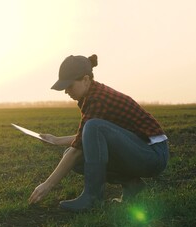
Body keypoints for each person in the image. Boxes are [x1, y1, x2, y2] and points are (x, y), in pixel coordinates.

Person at [28, 54, 169, 212]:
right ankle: (132, 184)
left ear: (86, 80)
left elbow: (80, 146)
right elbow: (86, 139)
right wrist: (56, 140)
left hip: (154, 155)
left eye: (69, 86)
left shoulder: (98, 99)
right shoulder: (91, 95)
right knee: (78, 151)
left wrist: (47, 185)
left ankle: (92, 198)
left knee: (90, 131)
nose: (66, 91)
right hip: (140, 150)